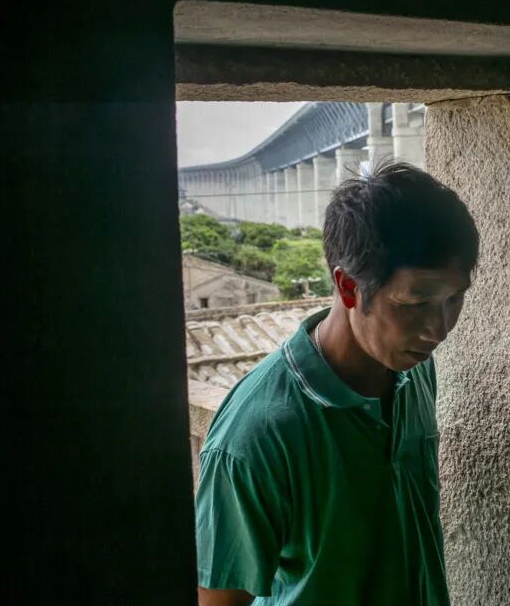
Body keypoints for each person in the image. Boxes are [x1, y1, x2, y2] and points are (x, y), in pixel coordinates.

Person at [195, 161, 479, 605]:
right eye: (415, 302)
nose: (438, 329)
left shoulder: (413, 367)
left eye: (454, 299)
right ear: (348, 286)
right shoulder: (257, 433)